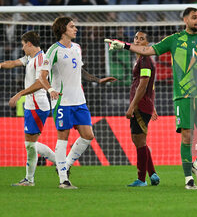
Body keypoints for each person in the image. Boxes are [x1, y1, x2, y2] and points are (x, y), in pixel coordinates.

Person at [105, 7, 197, 190]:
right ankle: (188, 178)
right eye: (194, 17)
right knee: (187, 137)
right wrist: (125, 45)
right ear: (185, 20)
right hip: (183, 95)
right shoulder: (174, 40)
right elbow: (148, 50)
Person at [39, 16, 116, 189]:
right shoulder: (53, 51)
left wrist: (98, 80)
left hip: (79, 100)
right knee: (63, 138)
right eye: (72, 26)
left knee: (88, 136)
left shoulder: (77, 47)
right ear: (62, 29)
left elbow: (79, 70)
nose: (76, 29)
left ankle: (65, 165)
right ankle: (63, 180)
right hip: (62, 101)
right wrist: (50, 89)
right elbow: (42, 76)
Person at [0, 30, 56, 186]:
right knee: (30, 145)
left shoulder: (41, 59)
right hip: (32, 105)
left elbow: (40, 83)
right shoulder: (30, 58)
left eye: (24, 45)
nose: (23, 48)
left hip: (37, 105)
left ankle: (59, 163)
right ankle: (30, 179)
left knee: (30, 144)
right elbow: (13, 63)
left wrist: (19, 94)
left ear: (30, 44)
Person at [126, 31, 160, 187]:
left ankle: (141, 179)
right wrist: (152, 105)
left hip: (140, 106)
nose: (138, 41)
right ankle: (152, 174)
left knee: (139, 141)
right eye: (136, 38)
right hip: (144, 104)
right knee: (139, 140)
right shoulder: (141, 59)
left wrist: (132, 105)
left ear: (148, 44)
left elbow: (144, 83)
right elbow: (150, 86)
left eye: (142, 39)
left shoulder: (145, 59)